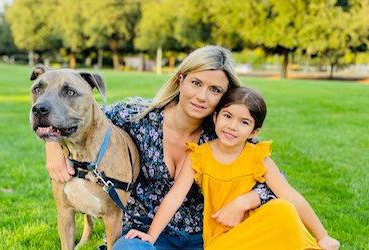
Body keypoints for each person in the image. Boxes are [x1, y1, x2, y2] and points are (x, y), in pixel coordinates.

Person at [44, 46, 275, 249]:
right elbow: (84, 118)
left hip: (208, 237)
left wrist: (246, 200)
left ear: (226, 97)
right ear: (180, 79)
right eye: (196, 83)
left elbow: (272, 184)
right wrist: (53, 146)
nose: (202, 96)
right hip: (145, 234)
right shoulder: (137, 116)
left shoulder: (225, 135)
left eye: (215, 90)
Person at [125, 86, 340, 250]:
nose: (232, 127)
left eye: (244, 122)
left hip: (255, 233)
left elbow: (291, 196)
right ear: (216, 117)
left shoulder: (258, 158)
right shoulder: (199, 156)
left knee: (283, 208)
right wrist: (151, 236)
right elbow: (174, 198)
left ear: (254, 132)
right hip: (222, 240)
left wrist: (322, 235)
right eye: (228, 116)